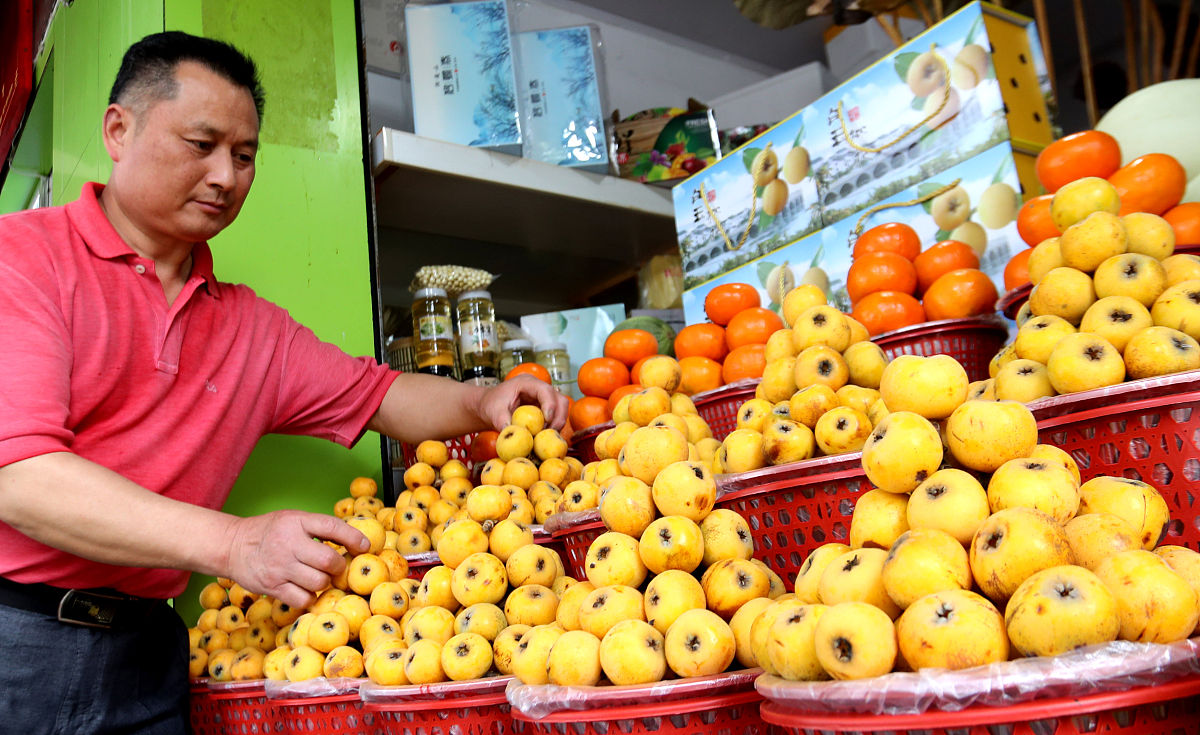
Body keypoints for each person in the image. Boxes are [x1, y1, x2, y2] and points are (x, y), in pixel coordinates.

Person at [0, 31, 567, 735]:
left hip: (150, 653)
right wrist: (234, 544)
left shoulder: (250, 328)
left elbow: (383, 396)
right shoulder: (23, 257)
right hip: (14, 638)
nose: (224, 176)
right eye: (200, 144)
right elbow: (18, 475)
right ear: (120, 129)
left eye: (243, 156)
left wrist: (484, 400)